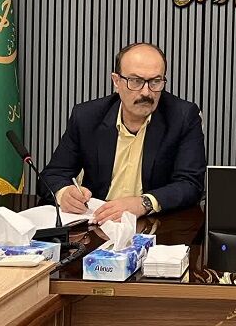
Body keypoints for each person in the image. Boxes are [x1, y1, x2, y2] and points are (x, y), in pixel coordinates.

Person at [41, 43, 206, 224]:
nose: (146, 92)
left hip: (155, 226)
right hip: (98, 222)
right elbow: (53, 175)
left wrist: (144, 203)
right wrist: (64, 193)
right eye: (135, 81)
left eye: (155, 82)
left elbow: (191, 184)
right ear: (116, 81)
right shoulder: (87, 116)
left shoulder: (183, 117)